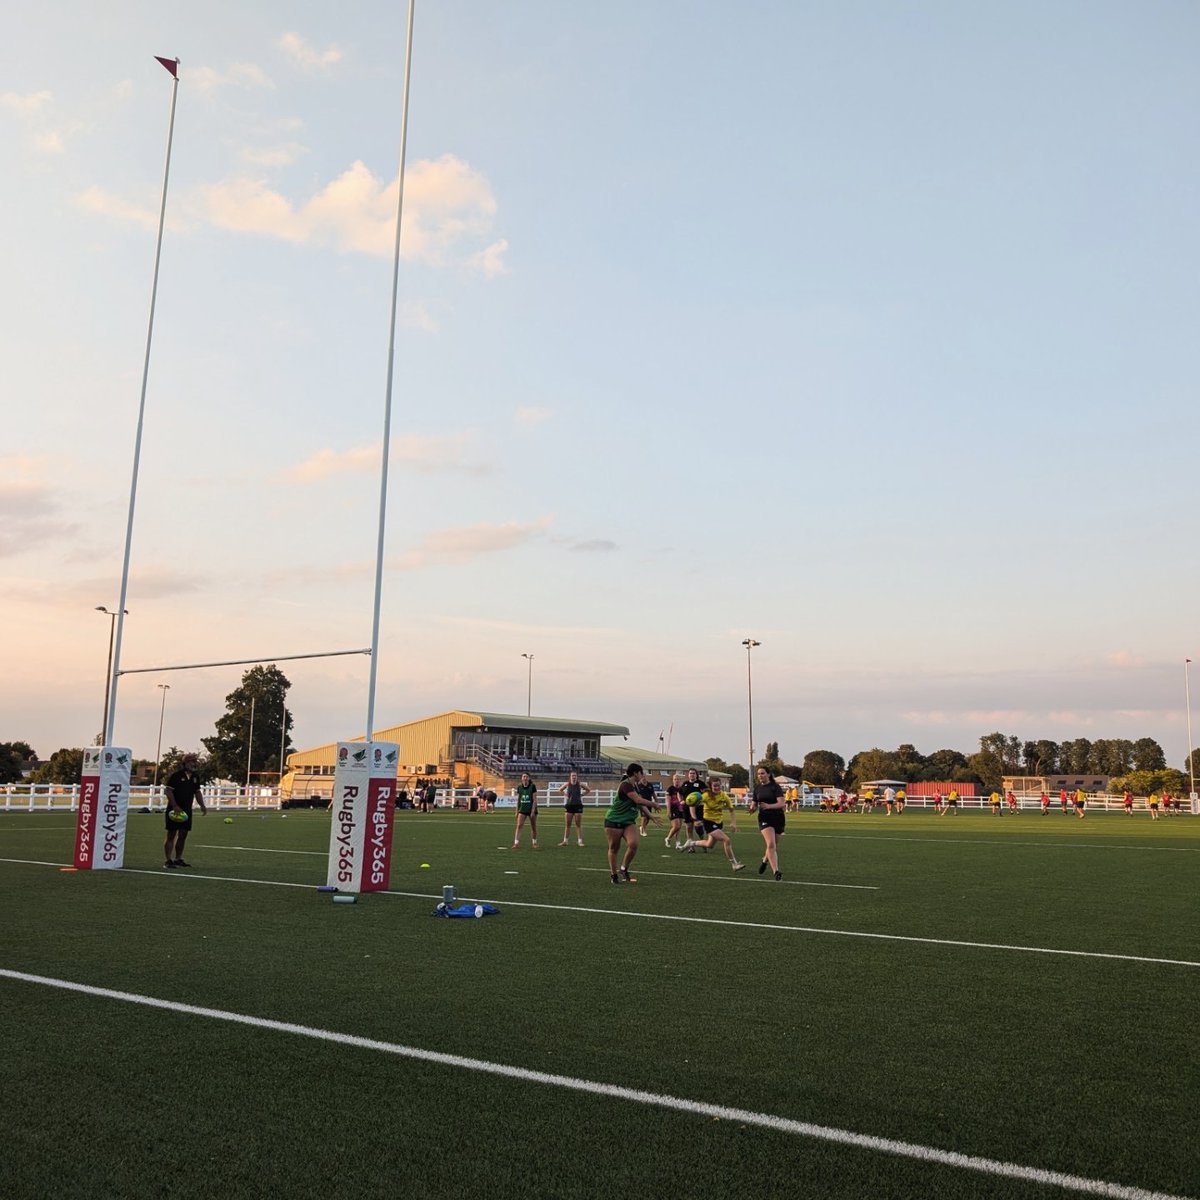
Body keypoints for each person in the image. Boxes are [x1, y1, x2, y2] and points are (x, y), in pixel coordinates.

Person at [604, 763, 657, 883]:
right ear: (635, 773)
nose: (642, 775)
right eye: (641, 772)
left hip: (628, 821)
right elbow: (638, 799)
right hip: (614, 820)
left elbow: (638, 804)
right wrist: (653, 804)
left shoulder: (635, 786)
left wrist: (651, 816)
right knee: (614, 848)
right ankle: (614, 875)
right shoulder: (625, 785)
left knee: (633, 844)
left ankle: (624, 869)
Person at [680, 778, 745, 871]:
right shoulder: (706, 796)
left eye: (718, 785)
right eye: (715, 786)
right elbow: (692, 804)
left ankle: (691, 843)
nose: (717, 787)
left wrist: (733, 823)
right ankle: (734, 864)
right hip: (709, 822)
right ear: (711, 786)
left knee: (709, 845)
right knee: (727, 840)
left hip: (719, 822)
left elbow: (732, 810)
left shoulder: (724, 796)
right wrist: (694, 818)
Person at [163, 753, 207, 868]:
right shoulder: (176, 776)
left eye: (195, 761)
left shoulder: (195, 777)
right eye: (192, 761)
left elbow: (197, 792)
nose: (194, 763)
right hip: (174, 809)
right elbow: (168, 791)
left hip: (187, 810)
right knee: (171, 834)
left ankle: (178, 859)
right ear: (185, 763)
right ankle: (168, 860)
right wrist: (175, 805)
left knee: (183, 834)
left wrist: (202, 805)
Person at [749, 766, 785, 880]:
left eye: (762, 773)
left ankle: (765, 860)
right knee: (771, 844)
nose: (760, 775)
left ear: (768, 774)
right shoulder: (757, 788)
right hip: (764, 818)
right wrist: (752, 808)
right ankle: (776, 871)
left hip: (778, 818)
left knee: (773, 846)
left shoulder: (775, 787)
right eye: (759, 774)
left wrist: (769, 806)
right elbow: (754, 804)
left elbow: (781, 804)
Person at [557, 771, 590, 846]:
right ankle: (565, 841)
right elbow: (560, 789)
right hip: (569, 806)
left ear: (577, 776)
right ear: (570, 777)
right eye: (572, 776)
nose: (574, 777)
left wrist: (581, 795)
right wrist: (566, 795)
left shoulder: (580, 784)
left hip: (578, 805)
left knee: (578, 824)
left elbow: (588, 790)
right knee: (568, 825)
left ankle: (580, 841)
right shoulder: (567, 784)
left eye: (575, 775)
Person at [682, 767, 708, 848]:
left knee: (698, 828)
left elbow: (706, 793)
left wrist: (701, 800)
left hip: (698, 808)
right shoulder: (685, 784)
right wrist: (681, 800)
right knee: (689, 827)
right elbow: (679, 793)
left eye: (693, 773)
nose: (692, 775)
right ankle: (690, 846)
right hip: (687, 808)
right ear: (688, 775)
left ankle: (703, 843)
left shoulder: (700, 783)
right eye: (690, 773)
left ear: (696, 775)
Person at [511, 772, 538, 848]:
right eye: (523, 776)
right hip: (522, 809)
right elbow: (518, 800)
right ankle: (516, 843)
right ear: (521, 778)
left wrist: (533, 811)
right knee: (519, 825)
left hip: (531, 810)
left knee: (533, 826)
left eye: (526, 776)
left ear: (529, 778)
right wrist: (516, 811)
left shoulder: (532, 786)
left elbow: (535, 800)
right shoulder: (519, 787)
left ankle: (534, 843)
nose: (525, 778)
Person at [664, 772, 688, 849]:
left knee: (679, 827)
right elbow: (668, 801)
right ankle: (668, 838)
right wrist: (668, 810)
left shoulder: (682, 789)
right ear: (673, 780)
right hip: (673, 809)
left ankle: (678, 843)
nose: (676, 780)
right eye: (675, 779)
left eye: (678, 779)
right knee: (676, 826)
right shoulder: (670, 789)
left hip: (681, 809)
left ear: (680, 780)